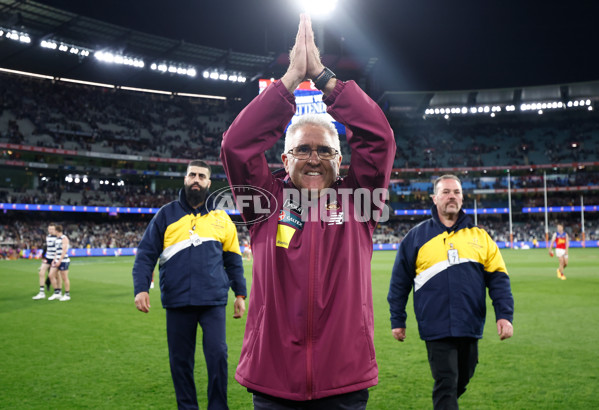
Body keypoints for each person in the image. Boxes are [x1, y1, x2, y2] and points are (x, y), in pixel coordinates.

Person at [220, 14, 396, 409]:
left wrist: (322, 76)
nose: (314, 159)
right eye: (303, 149)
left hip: (344, 382)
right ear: (284, 158)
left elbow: (379, 138)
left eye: (325, 151)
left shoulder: (360, 202)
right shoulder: (262, 204)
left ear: (340, 160)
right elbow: (237, 146)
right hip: (273, 382)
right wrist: (288, 82)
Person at [387, 174, 514, 410]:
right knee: (446, 382)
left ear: (462, 198)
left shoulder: (480, 237)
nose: (451, 196)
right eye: (445, 192)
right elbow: (399, 282)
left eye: (456, 192)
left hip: (469, 322)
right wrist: (398, 319)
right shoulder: (416, 237)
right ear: (434, 198)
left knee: (463, 378)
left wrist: (504, 314)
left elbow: (499, 279)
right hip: (435, 324)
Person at [132, 160, 247, 410]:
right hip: (178, 300)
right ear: (185, 179)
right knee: (180, 362)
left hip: (213, 301)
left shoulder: (222, 219)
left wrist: (240, 293)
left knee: (218, 356)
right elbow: (145, 254)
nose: (196, 179)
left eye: (201, 176)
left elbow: (233, 260)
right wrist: (141, 288)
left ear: (208, 182)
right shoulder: (166, 214)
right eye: (192, 174)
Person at [32, 223, 57, 300]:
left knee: (54, 276)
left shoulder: (57, 238)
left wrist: (55, 259)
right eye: (49, 229)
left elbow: (58, 249)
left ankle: (57, 292)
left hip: (54, 259)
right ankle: (42, 292)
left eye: (52, 229)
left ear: (55, 230)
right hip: (48, 258)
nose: (51, 231)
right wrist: (44, 257)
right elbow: (48, 248)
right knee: (41, 273)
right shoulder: (48, 237)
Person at [48, 224, 70, 301]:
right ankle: (57, 293)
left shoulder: (64, 238)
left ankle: (67, 294)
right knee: (51, 275)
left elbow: (64, 251)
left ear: (56, 231)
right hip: (57, 260)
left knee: (64, 278)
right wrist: (54, 259)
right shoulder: (57, 239)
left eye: (53, 230)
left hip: (63, 260)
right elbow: (57, 251)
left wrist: (59, 261)